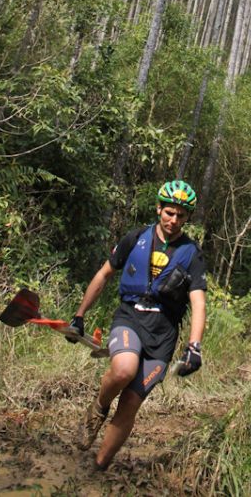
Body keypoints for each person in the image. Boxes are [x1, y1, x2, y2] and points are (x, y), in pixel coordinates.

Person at [67, 179, 207, 471]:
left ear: (188, 218)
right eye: (169, 212)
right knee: (123, 370)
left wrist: (194, 346)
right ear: (159, 209)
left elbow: (197, 301)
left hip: (162, 334)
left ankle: (98, 467)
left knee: (131, 401)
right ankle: (98, 409)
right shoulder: (136, 238)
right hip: (130, 317)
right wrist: (79, 315)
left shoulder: (192, 253)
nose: (174, 220)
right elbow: (104, 274)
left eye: (181, 215)